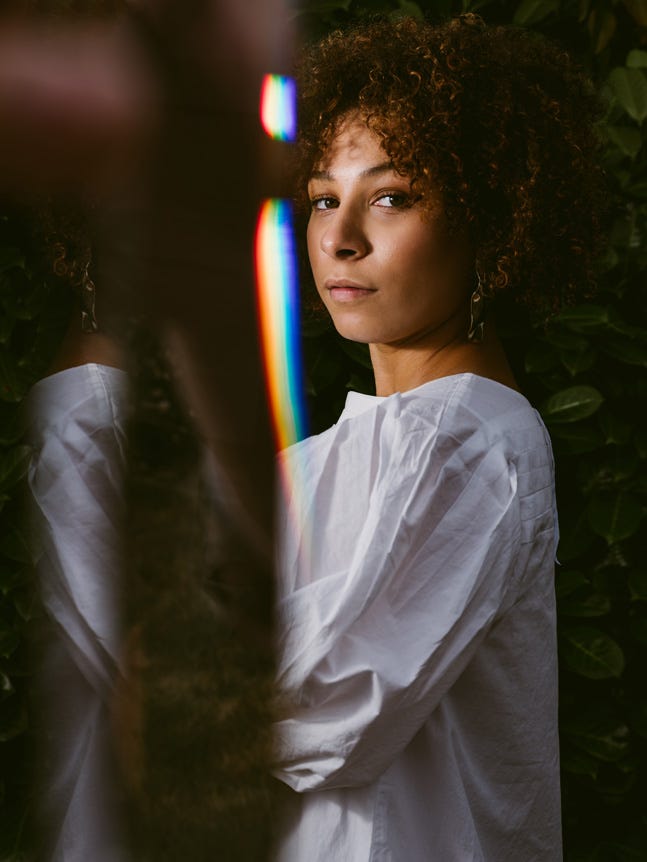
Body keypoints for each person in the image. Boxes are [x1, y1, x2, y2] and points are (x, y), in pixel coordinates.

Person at [272, 15, 604, 861]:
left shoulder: (467, 438)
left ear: (490, 219)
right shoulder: (330, 456)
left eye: (391, 196)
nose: (340, 237)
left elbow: (327, 707)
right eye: (322, 198)